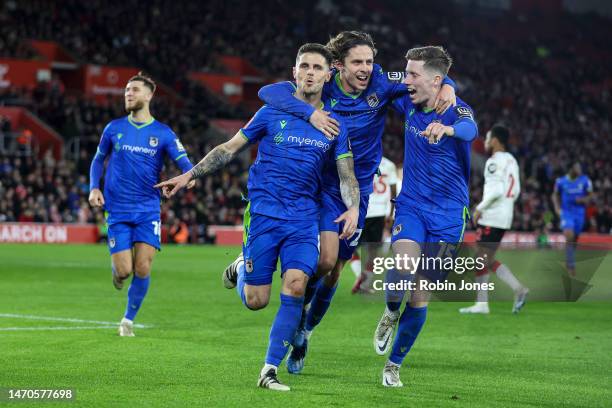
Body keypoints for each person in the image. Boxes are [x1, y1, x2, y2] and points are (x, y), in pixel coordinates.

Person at [155, 44, 359, 391]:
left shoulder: (335, 127)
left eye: (317, 67)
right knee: (256, 301)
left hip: (303, 217)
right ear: (294, 72)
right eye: (304, 66)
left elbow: (347, 175)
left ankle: (268, 370)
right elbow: (228, 148)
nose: (310, 72)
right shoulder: (270, 112)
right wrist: (189, 174)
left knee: (295, 285)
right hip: (264, 213)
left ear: (329, 75)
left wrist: (352, 206)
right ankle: (240, 267)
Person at [255, 31, 457, 375]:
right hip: (319, 186)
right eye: (357, 62)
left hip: (356, 193)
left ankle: (304, 330)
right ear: (337, 66)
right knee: (326, 258)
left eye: (369, 61)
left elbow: (425, 73)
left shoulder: (383, 81)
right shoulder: (325, 84)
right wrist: (310, 113)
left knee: (332, 272)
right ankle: (278, 288)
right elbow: (268, 92)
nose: (366, 68)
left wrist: (448, 85)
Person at [372, 46, 477, 387]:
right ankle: (390, 312)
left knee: (421, 295)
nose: (406, 80)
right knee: (402, 266)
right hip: (413, 204)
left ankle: (393, 365)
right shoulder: (408, 99)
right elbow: (379, 75)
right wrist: (448, 82)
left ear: (434, 80)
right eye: (406, 73)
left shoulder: (457, 110)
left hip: (448, 215)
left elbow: (469, 130)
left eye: (413, 74)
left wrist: (446, 128)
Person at [88, 72, 194, 337]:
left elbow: (185, 165)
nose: (128, 94)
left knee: (143, 267)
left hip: (147, 209)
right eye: (126, 90)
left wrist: (188, 178)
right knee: (124, 271)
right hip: (118, 208)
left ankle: (127, 320)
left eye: (134, 90)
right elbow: (98, 160)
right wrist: (94, 188)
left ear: (149, 95)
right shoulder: (114, 129)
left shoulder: (164, 133)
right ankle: (117, 273)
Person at [459, 124, 528, 315]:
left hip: (492, 215)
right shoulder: (511, 161)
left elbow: (496, 191)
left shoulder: (493, 162)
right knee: (484, 259)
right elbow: (515, 191)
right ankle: (514, 291)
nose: (486, 142)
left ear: (496, 140)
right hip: (505, 214)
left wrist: (479, 209)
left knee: (481, 259)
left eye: (488, 138)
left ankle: (486, 302)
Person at [350, 156, 398, 294]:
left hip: (361, 209)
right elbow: (393, 192)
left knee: (349, 248)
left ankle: (360, 274)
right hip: (379, 212)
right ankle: (365, 283)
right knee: (373, 252)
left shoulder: (360, 159)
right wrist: (391, 213)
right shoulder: (389, 164)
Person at [552, 162, 594, 277]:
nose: (580, 169)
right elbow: (555, 195)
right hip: (566, 213)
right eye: (577, 167)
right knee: (569, 235)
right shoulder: (560, 181)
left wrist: (584, 199)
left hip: (580, 214)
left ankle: (569, 258)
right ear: (571, 169)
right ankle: (571, 266)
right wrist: (557, 208)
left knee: (574, 239)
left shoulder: (585, 180)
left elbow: (591, 195)